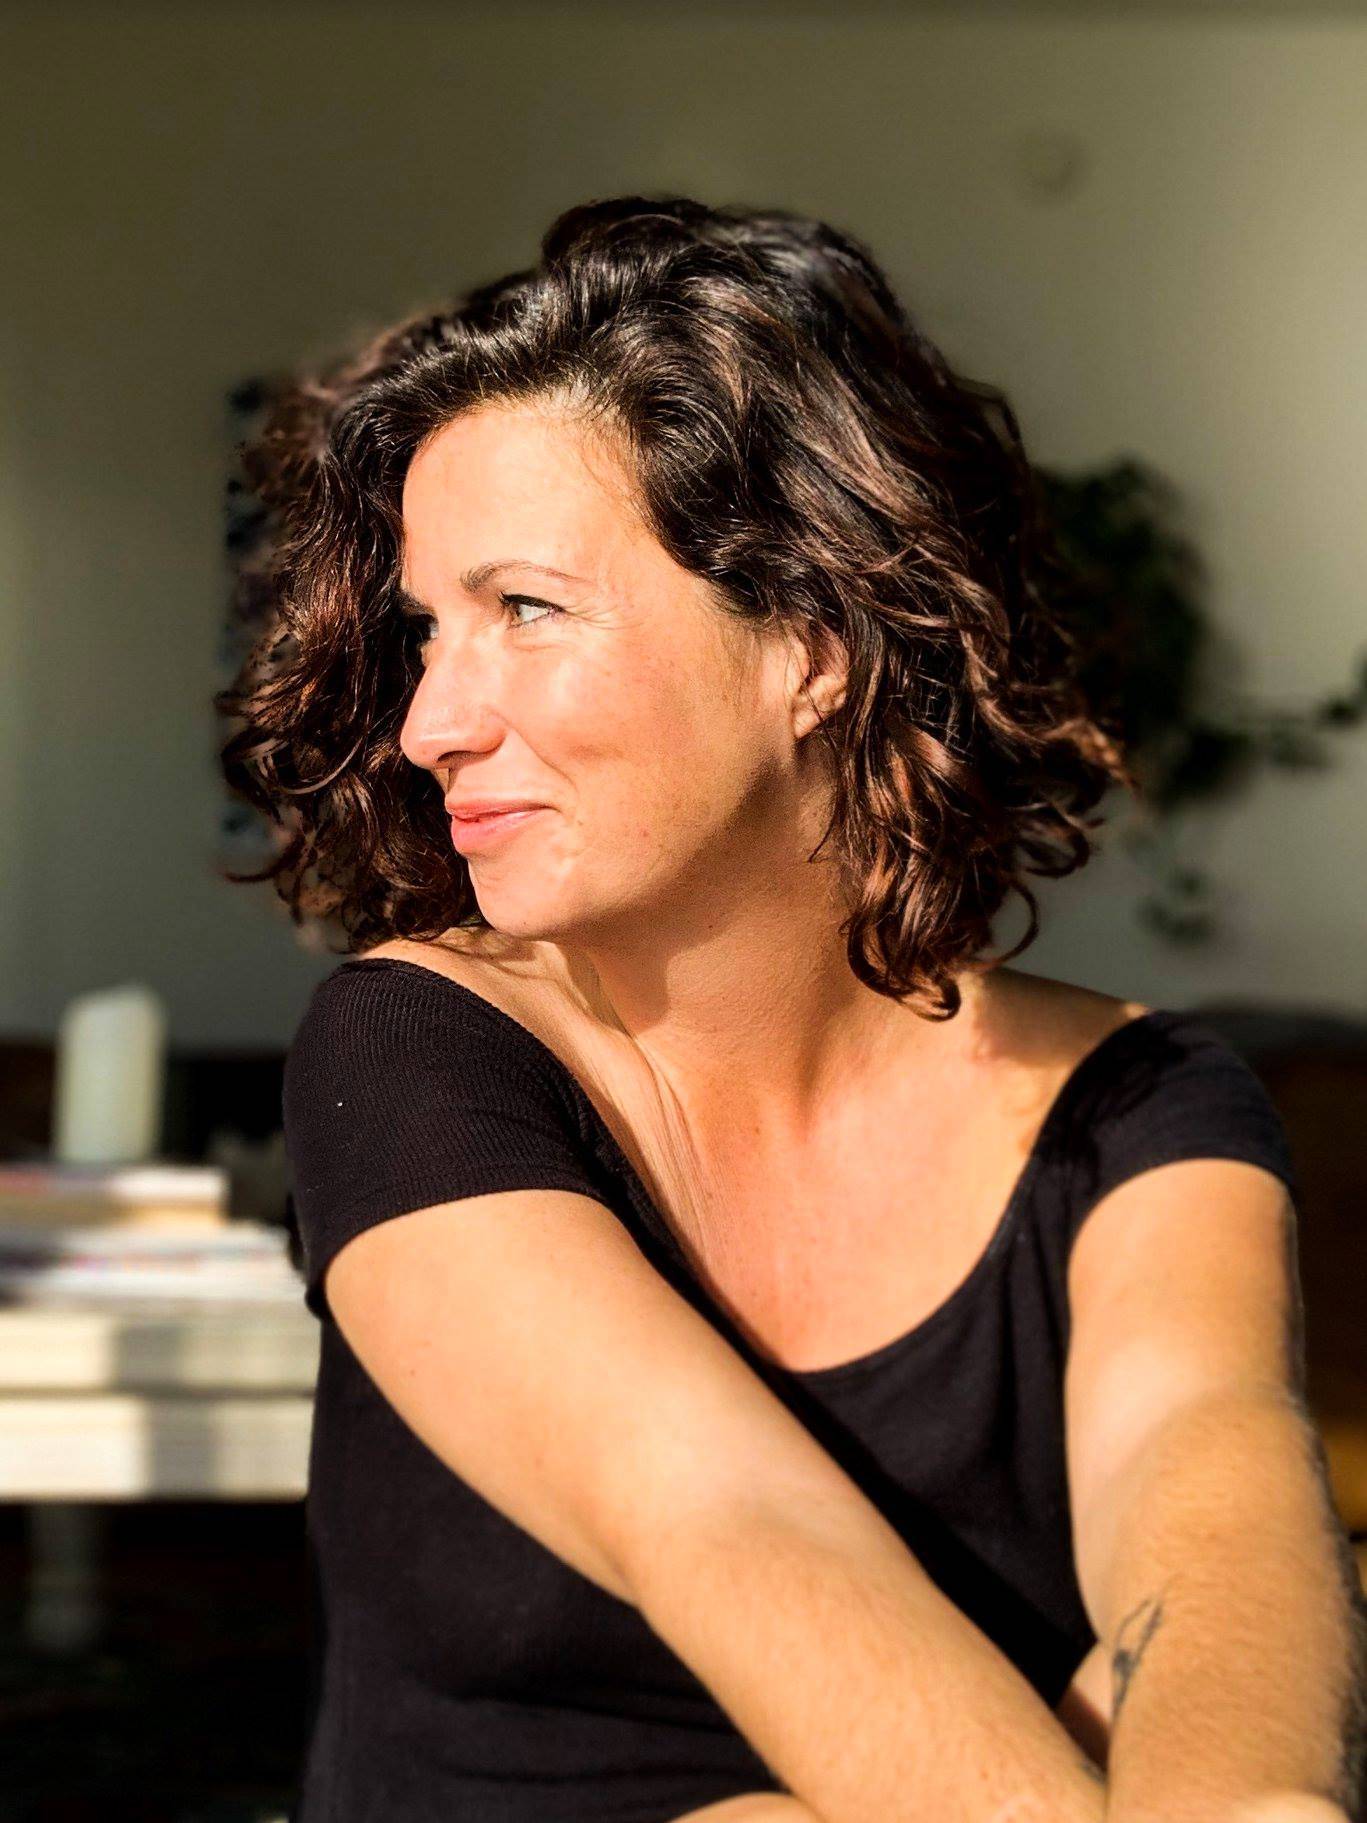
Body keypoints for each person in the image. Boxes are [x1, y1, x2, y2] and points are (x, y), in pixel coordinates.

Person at [217, 195, 1364, 1823]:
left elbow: (1216, 1521)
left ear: (810, 645)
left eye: (524, 609)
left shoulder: (1142, 1114)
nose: (430, 723)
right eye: (427, 630)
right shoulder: (413, 1050)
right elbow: (720, 1520)